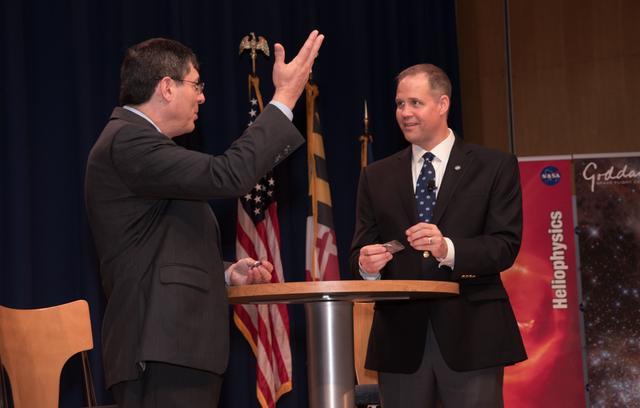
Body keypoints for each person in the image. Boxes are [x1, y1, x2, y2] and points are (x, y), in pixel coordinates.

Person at [85, 31, 323, 407]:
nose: (202, 97)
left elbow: (163, 248)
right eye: (196, 85)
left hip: (175, 349)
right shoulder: (128, 141)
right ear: (166, 87)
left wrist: (227, 274)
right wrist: (284, 98)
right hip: (160, 350)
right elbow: (229, 174)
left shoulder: (146, 148)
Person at [350, 64, 526, 407]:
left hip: (473, 337)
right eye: (400, 104)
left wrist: (448, 249)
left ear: (443, 104)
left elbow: (504, 246)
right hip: (400, 343)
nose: (405, 113)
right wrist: (367, 265)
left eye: (415, 103)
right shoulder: (376, 176)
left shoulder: (494, 166)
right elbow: (359, 249)